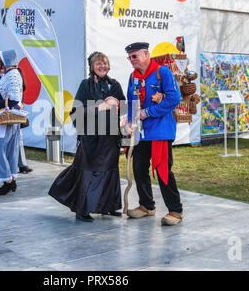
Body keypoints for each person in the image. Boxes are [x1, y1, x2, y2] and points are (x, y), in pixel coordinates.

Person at [48, 52, 126, 222]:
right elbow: (76, 112)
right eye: (98, 63)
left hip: (110, 136)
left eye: (105, 63)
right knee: (88, 172)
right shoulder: (86, 85)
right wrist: (102, 107)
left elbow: (125, 110)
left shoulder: (115, 85)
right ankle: (82, 208)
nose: (102, 66)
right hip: (91, 136)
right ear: (91, 67)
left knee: (110, 171)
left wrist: (119, 105)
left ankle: (109, 206)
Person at [125, 42, 184, 226]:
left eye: (134, 56)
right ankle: (147, 206)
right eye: (129, 57)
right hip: (141, 132)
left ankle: (175, 210)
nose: (131, 60)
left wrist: (148, 113)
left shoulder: (162, 73)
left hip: (160, 131)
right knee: (139, 168)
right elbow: (131, 101)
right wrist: (130, 121)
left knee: (162, 170)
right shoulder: (133, 77)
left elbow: (175, 98)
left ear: (146, 54)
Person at [0, 49, 24, 195]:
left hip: (7, 118)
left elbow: (13, 99)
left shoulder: (12, 75)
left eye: (0, 59)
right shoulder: (12, 74)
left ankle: (8, 181)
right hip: (9, 118)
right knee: (9, 150)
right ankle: (11, 179)